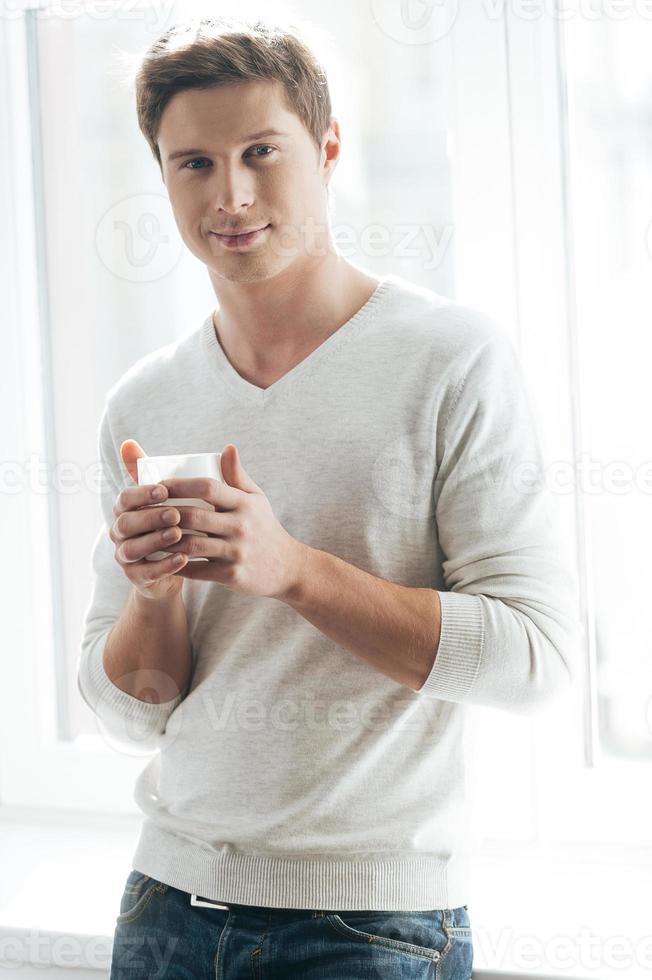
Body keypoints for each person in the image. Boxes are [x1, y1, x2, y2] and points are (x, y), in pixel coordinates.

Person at [78, 15, 580, 979]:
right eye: (193, 165)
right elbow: (132, 711)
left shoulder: (451, 360)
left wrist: (295, 571)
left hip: (371, 928)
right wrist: (152, 595)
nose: (230, 195)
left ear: (330, 148)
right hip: (163, 911)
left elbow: (535, 656)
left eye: (261, 152)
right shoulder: (143, 402)